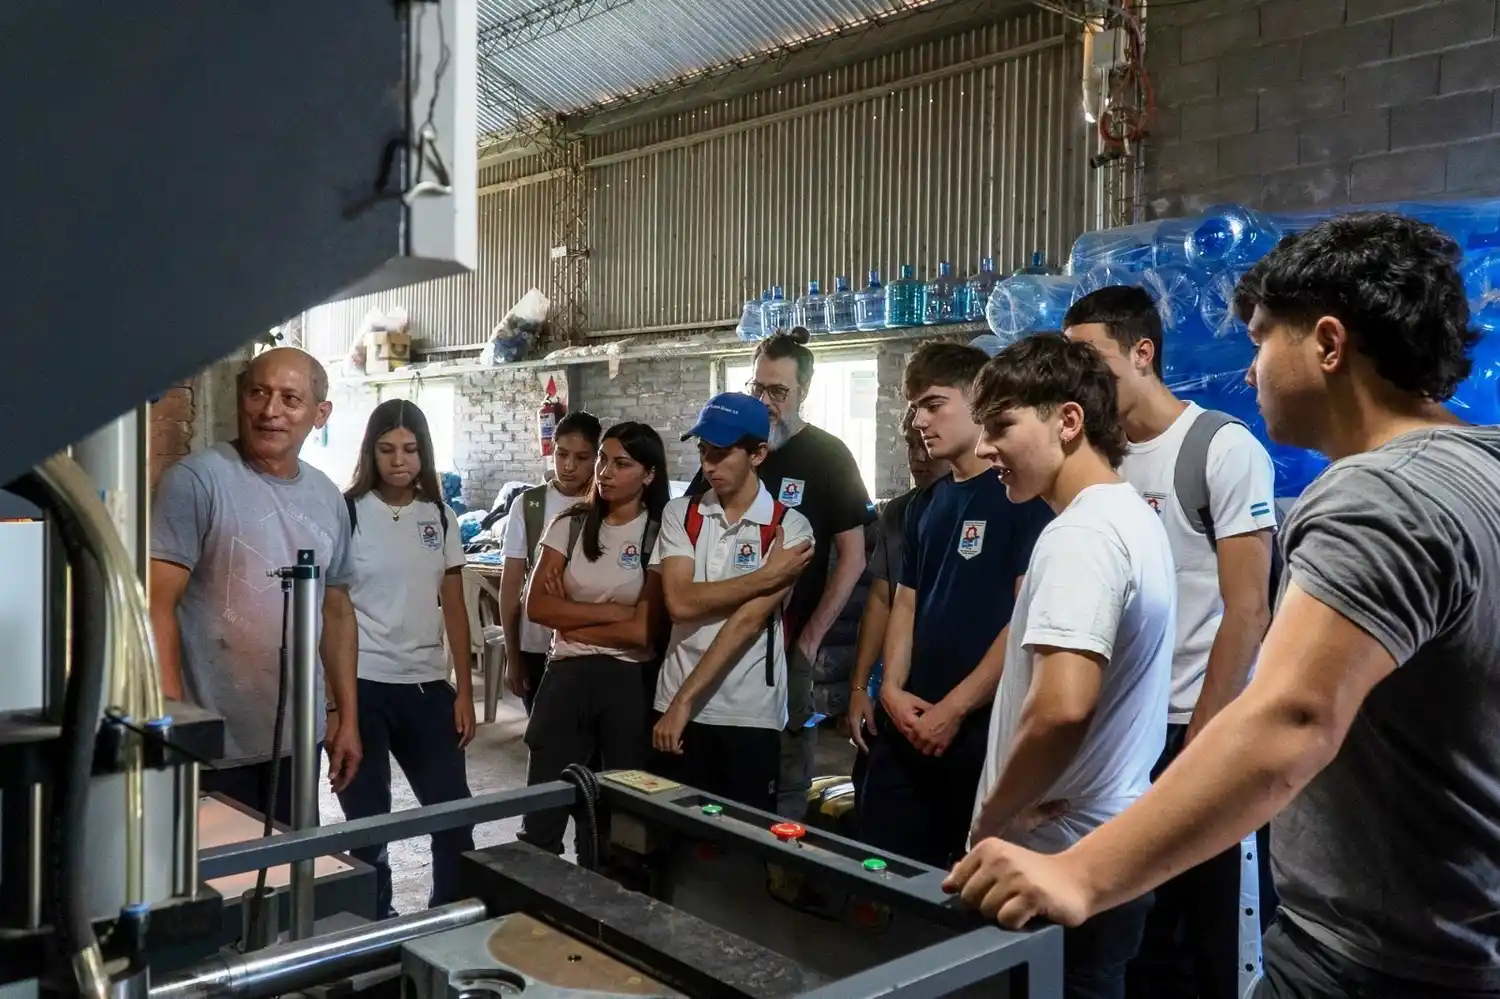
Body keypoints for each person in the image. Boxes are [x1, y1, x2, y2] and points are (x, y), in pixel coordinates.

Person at [945, 212, 1500, 998]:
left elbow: (1292, 718)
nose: (1248, 372)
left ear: (1329, 344)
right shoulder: (1482, 469)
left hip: (1373, 960)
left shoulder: (1376, 496)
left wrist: (1081, 873)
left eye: (1262, 341)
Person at [1064, 286, 1279, 999]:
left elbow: (1248, 609)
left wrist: (1202, 745)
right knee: (1133, 940)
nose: (1079, 377)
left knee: (1212, 940)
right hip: (1120, 734)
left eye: (1091, 359)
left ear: (1142, 352)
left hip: (1199, 727)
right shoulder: (1097, 460)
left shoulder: (1219, 447)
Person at [961, 333, 1175, 998]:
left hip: (1053, 865)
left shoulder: (1081, 534)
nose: (984, 448)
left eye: (1001, 426)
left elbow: (1061, 708)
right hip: (1102, 852)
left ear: (1068, 420)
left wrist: (992, 821)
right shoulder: (1130, 515)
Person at [860, 342, 1053, 870]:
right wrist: (891, 689)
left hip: (978, 726)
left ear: (977, 402)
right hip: (909, 718)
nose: (919, 421)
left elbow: (1024, 618)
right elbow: (905, 604)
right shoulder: (926, 504)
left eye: (933, 404)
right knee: (883, 865)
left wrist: (955, 709)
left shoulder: (1020, 498)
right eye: (914, 408)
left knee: (964, 878)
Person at [149, 347, 362, 821]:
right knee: (213, 865)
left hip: (296, 742)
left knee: (291, 861)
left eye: (290, 398)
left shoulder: (328, 498)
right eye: (258, 393)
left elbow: (336, 611)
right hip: (211, 747)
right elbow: (155, 605)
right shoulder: (197, 482)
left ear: (320, 414)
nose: (270, 411)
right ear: (239, 398)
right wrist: (173, 725)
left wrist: (345, 717)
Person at [691, 330, 875, 816]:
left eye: (778, 391)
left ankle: (778, 850)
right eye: (758, 387)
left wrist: (810, 639)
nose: (766, 401)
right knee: (714, 753)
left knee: (788, 764)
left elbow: (853, 556)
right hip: (715, 632)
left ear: (803, 392)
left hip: (786, 639)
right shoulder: (730, 444)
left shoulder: (829, 456)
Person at [334, 400, 476, 918]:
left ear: (424, 454)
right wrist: (336, 708)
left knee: (454, 815)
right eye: (387, 449)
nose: (399, 460)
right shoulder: (346, 512)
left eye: (410, 449)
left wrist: (464, 691)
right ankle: (375, 924)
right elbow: (330, 610)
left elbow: (454, 607)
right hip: (362, 684)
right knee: (369, 825)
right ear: (370, 452)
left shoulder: (439, 516)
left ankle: (450, 914)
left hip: (426, 685)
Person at [650, 393, 816, 810]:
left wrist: (684, 701)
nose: (709, 465)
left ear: (757, 454)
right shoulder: (680, 513)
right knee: (673, 831)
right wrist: (765, 576)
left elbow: (747, 622)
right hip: (673, 702)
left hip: (747, 712)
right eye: (704, 450)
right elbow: (680, 603)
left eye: (722, 453)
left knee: (743, 835)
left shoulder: (790, 527)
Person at [519, 422, 671, 854]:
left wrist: (570, 618)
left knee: (612, 820)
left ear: (649, 474)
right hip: (566, 677)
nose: (605, 472)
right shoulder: (570, 524)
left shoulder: (659, 534)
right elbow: (537, 607)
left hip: (626, 684)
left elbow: (642, 630)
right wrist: (614, 612)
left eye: (621, 464)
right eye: (603, 460)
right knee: (542, 812)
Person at [845, 411, 951, 828]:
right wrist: (860, 687)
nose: (918, 457)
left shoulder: (993, 507)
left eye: (926, 445)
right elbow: (882, 599)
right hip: (893, 687)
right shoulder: (899, 513)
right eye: (910, 444)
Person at [500, 412, 601, 713]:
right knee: (542, 732)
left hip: (590, 643)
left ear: (598, 458)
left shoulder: (606, 504)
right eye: (562, 454)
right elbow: (511, 586)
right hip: (536, 643)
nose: (569, 466)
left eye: (582, 457)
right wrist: (512, 656)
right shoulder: (530, 505)